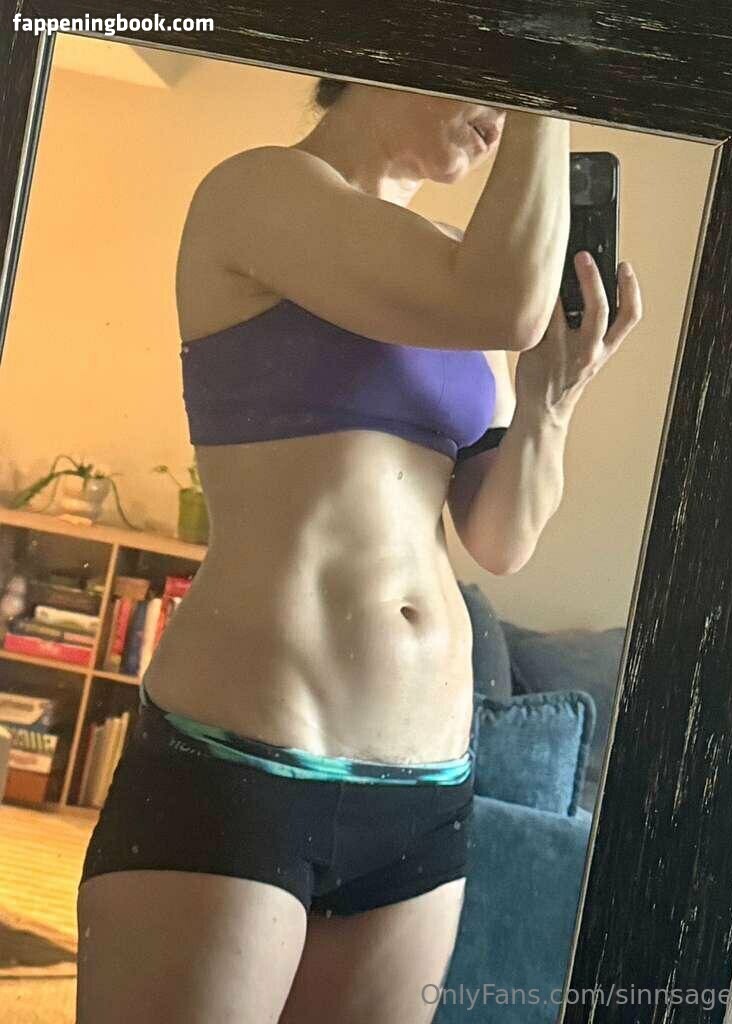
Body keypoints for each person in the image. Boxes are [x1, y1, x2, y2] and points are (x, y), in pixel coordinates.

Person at [76, 78, 642, 1024]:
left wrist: (552, 400)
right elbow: (500, 299)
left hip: (424, 793)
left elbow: (499, 538)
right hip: (244, 762)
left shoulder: (462, 273)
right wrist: (552, 72)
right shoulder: (258, 191)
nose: (502, 120)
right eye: (493, 86)